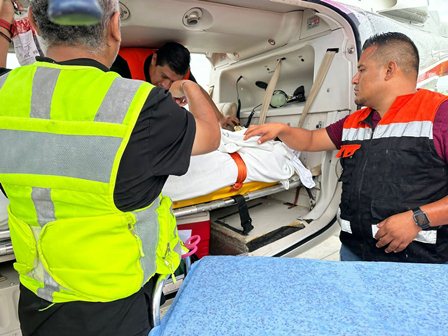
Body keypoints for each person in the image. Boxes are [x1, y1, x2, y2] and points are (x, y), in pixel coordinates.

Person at [0, 0, 221, 335]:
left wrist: (4, 26)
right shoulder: (143, 106)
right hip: (116, 307)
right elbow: (212, 135)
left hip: (39, 299)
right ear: (115, 26)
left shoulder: (5, 92)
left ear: (32, 22)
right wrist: (187, 85)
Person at [244, 32, 448, 264]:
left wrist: (417, 219)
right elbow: (311, 140)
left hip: (419, 262)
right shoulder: (355, 121)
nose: (354, 79)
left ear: (389, 70)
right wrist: (282, 130)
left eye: (361, 70)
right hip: (353, 252)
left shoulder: (440, 115)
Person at [111, 42, 240, 129]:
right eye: (164, 76)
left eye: (173, 81)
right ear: (154, 59)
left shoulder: (181, 73)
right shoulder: (121, 64)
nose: (166, 86)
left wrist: (221, 119)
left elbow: (198, 91)